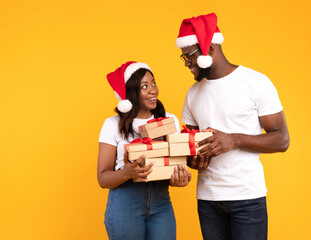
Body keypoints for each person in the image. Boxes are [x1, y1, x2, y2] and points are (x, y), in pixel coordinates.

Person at [175, 13, 290, 240]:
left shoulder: (255, 82)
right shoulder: (192, 94)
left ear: (209, 50)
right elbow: (188, 147)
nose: (187, 63)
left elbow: (282, 139)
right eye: (184, 57)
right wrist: (194, 160)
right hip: (208, 200)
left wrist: (235, 139)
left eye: (190, 56)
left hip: (247, 199)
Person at [97, 61, 191, 240]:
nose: (153, 90)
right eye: (144, 86)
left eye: (153, 83)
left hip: (161, 202)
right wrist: (127, 172)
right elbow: (102, 178)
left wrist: (179, 178)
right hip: (125, 203)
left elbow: (172, 166)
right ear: (131, 92)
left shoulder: (169, 120)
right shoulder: (112, 125)